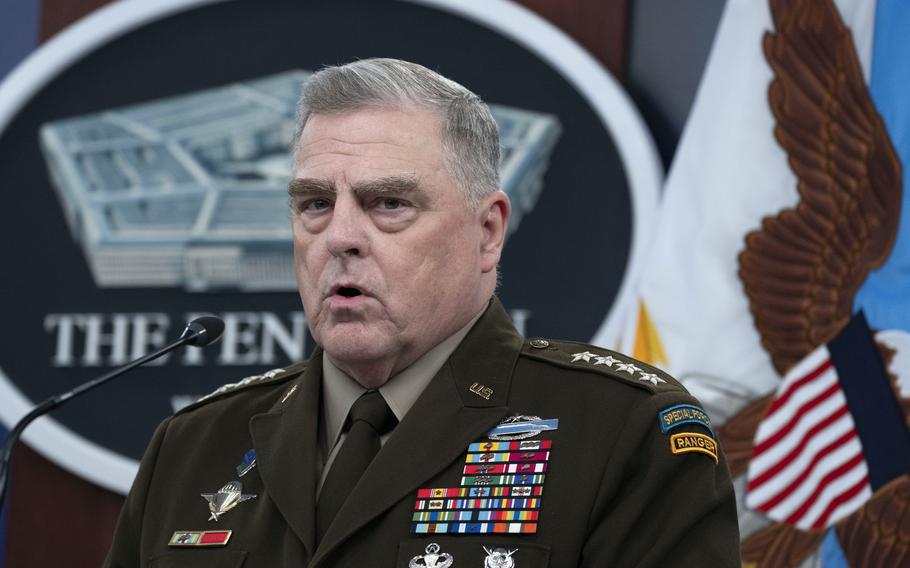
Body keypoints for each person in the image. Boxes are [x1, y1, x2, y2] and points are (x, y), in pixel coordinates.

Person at [105, 58, 740, 567]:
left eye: (387, 203)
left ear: (487, 232)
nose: (340, 236)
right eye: (314, 203)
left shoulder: (621, 432)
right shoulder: (193, 447)